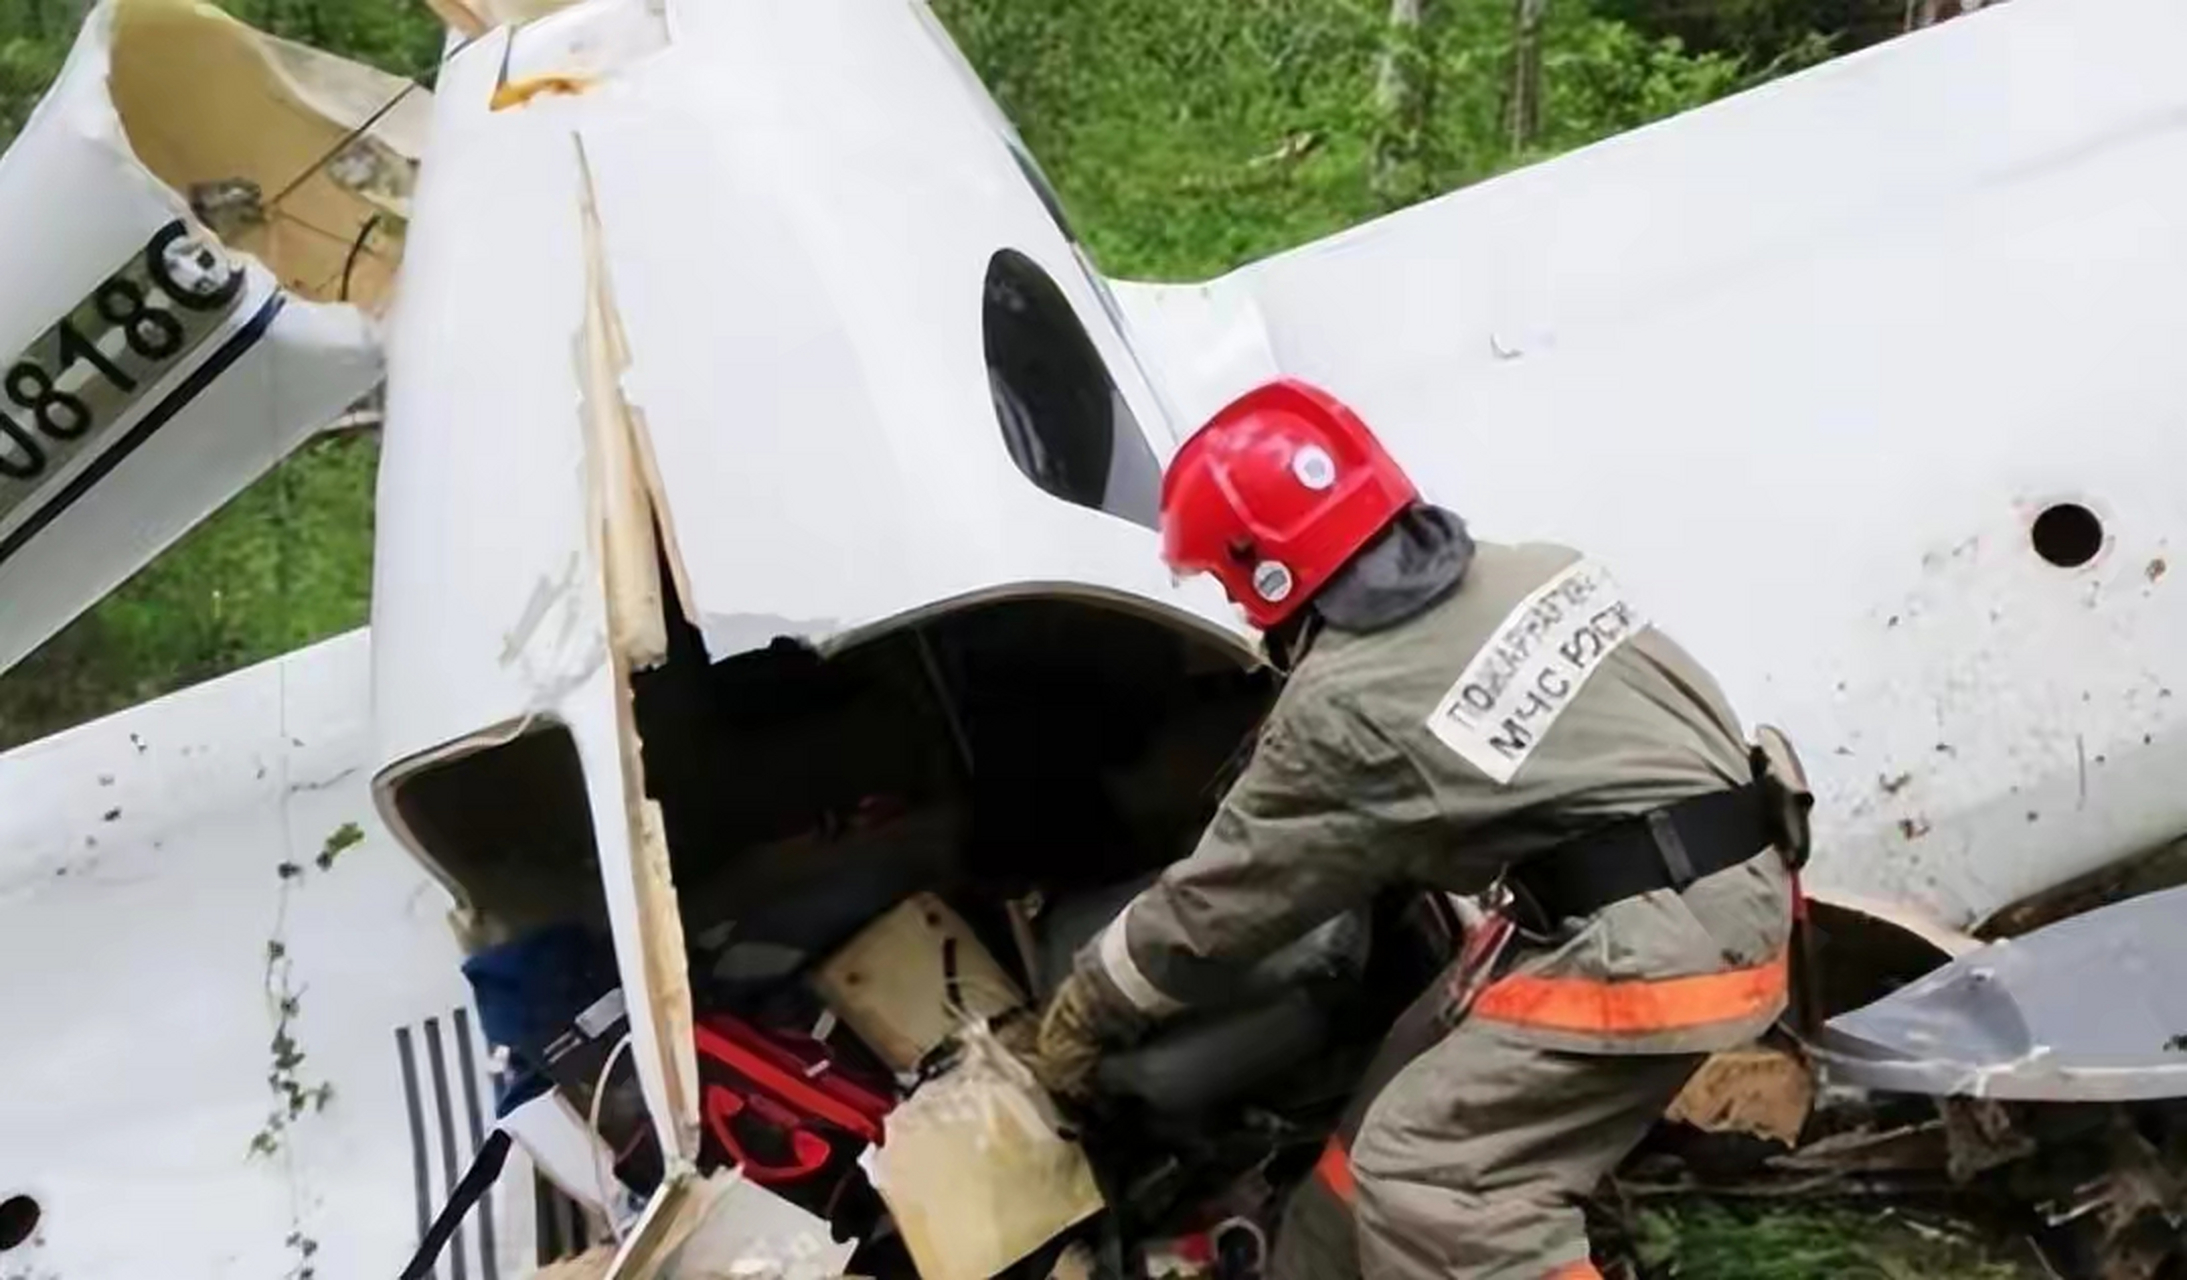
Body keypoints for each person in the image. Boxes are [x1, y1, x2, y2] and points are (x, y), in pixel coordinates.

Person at [1026, 379, 1806, 1280]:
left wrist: (1085, 1009)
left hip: (1659, 945)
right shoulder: (1533, 567)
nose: (1236, 609)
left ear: (1263, 571)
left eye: (1225, 581)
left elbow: (1222, 902)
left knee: (1432, 1183)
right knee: (1395, 1097)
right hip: (1713, 881)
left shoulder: (1343, 705)